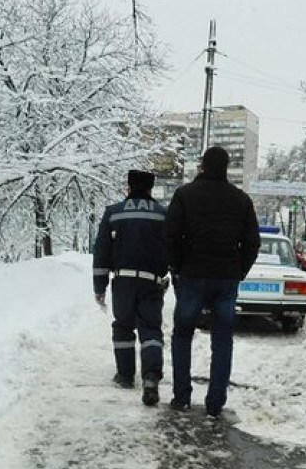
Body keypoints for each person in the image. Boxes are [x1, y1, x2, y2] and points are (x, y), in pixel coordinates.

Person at [166, 146, 260, 416]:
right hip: (226, 278)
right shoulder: (241, 200)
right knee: (222, 339)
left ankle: (181, 396)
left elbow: (171, 235)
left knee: (182, 334)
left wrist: (177, 267)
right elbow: (252, 242)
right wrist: (238, 270)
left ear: (203, 166)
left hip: (192, 274)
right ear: (226, 167)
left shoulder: (185, 195)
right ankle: (215, 403)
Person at [92, 170, 168, 407]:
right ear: (150, 189)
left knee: (123, 327)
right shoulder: (163, 214)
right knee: (151, 330)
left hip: (123, 281)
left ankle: (125, 375)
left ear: (129, 187)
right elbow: (172, 248)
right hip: (151, 281)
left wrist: (99, 286)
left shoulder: (113, 212)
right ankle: (151, 379)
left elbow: (102, 251)